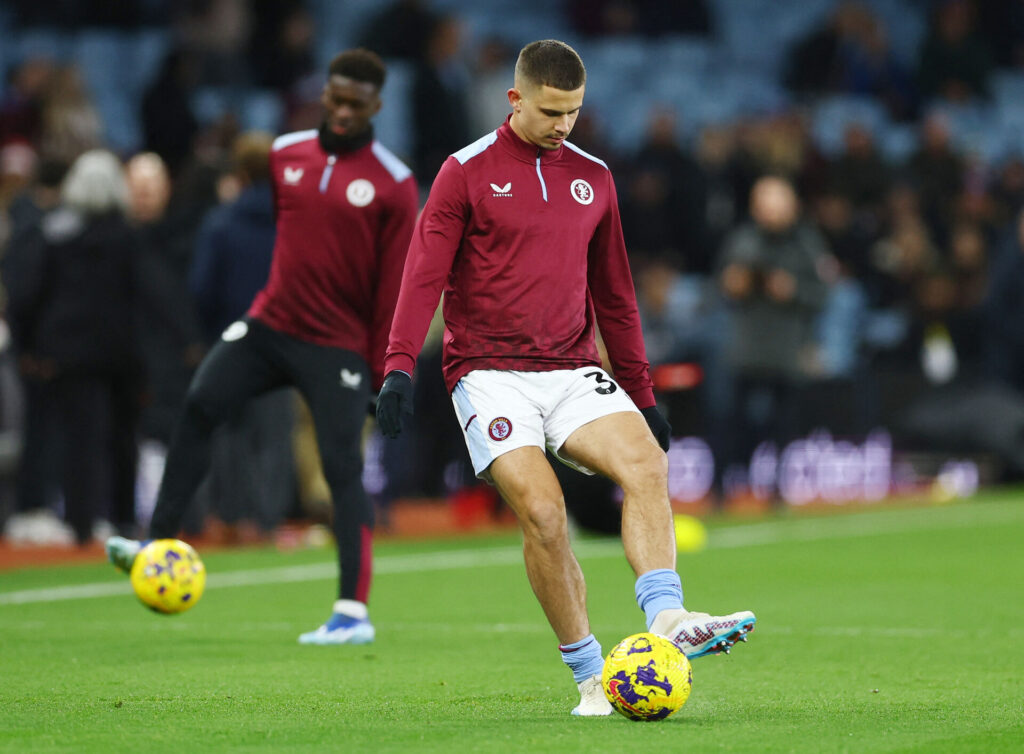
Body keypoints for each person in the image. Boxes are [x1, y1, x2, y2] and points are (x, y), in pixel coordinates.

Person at [376, 39, 755, 717]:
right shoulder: (464, 172)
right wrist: (400, 365)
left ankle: (666, 618)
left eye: (574, 112)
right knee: (546, 515)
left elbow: (616, 295)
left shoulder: (595, 178)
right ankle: (588, 676)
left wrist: (641, 392)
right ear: (515, 98)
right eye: (551, 111)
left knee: (646, 462)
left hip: (573, 367)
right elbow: (422, 273)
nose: (562, 124)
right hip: (489, 375)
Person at [106, 49, 420, 645]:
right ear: (324, 93)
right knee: (199, 405)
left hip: (337, 345)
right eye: (337, 98)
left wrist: (388, 370)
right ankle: (157, 545)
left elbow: (395, 286)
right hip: (270, 323)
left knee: (340, 468)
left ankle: (352, 613)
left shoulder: (395, 185)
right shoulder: (285, 154)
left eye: (357, 103)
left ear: (376, 105)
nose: (344, 111)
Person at [4, 150, 144, 544]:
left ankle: (80, 521)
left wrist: (28, 345)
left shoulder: (54, 234)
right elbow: (143, 297)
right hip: (119, 351)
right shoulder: (128, 236)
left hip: (66, 351)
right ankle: (123, 519)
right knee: (120, 438)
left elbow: (28, 294)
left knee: (77, 438)